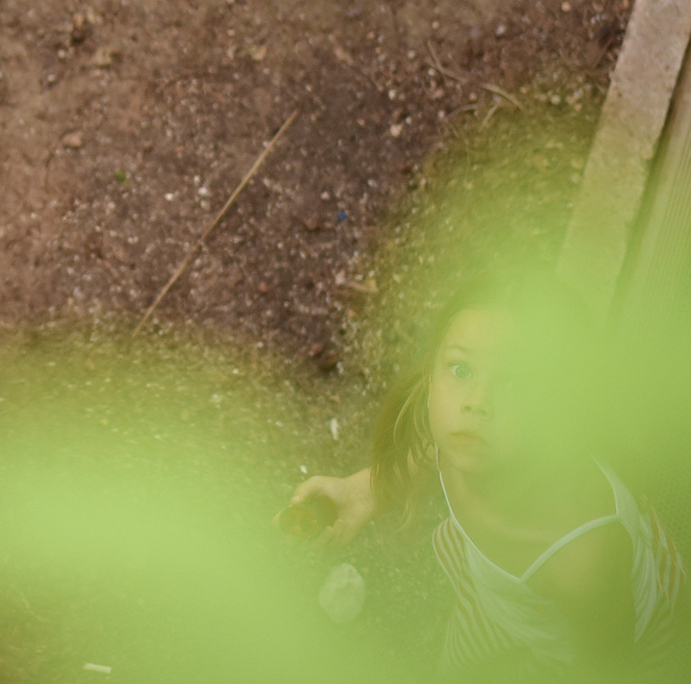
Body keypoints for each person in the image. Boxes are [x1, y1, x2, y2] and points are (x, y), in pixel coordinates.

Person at [286, 278, 680, 677]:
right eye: (460, 369)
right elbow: (425, 459)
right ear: (431, 374)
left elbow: (607, 665)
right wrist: (362, 492)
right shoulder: (465, 441)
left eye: (516, 382)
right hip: (504, 601)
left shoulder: (581, 556)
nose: (476, 402)